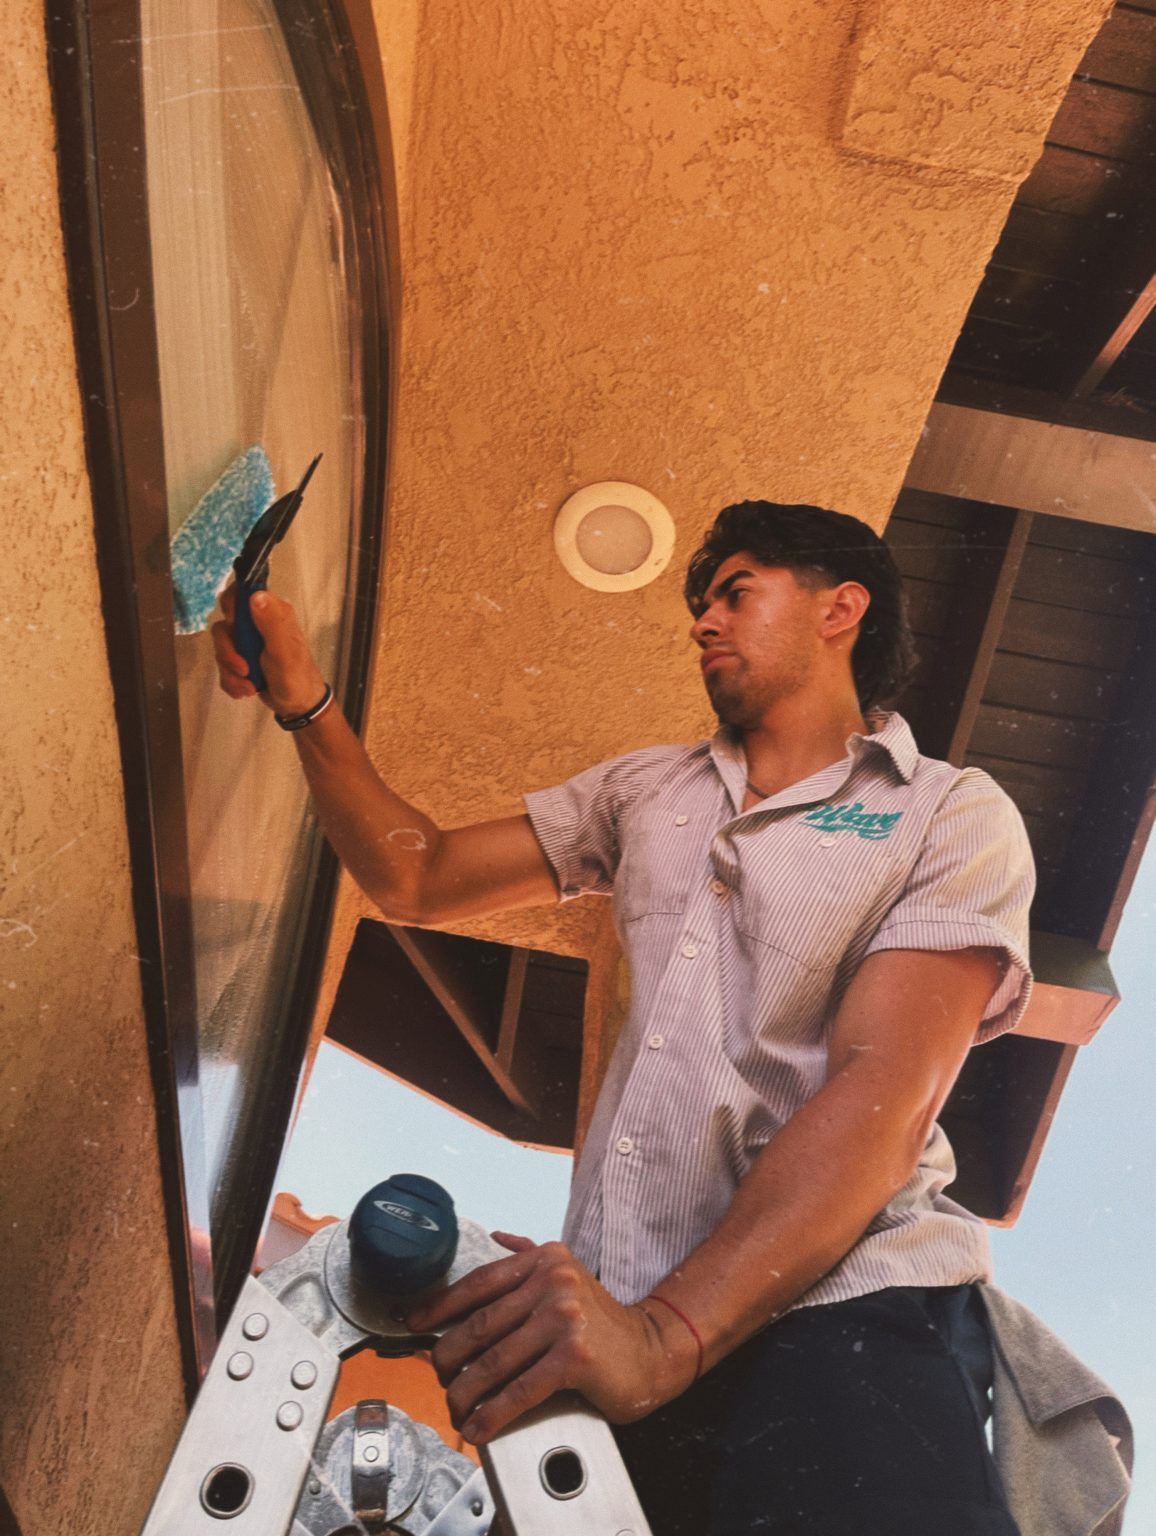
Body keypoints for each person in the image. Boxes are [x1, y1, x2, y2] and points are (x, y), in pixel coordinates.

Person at [214, 501, 1034, 1534]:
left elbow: (886, 1091)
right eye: (699, 604)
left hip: (842, 1316)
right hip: (622, 1342)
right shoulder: (647, 788)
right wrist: (303, 700)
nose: (701, 620)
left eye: (734, 592)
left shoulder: (948, 812)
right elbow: (416, 875)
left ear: (842, 608)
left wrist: (670, 1334)